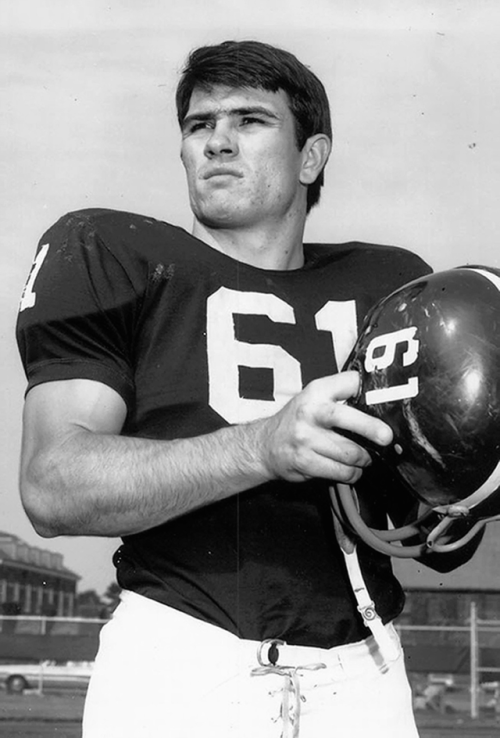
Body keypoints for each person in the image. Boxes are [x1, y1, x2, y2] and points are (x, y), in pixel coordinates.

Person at [16, 40, 481, 738]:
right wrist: (264, 447)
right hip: (181, 663)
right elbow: (52, 485)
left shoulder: (393, 290)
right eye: (199, 125)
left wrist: (460, 491)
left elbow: (433, 533)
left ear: (312, 156)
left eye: (249, 121)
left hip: (364, 672)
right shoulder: (115, 253)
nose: (217, 142)